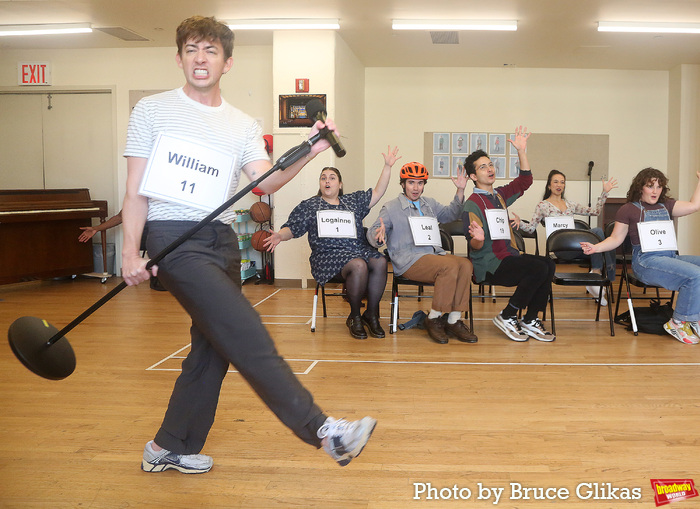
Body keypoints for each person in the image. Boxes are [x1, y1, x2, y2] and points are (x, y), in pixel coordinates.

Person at [121, 16, 376, 474]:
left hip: (220, 239)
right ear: (179, 56)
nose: (201, 58)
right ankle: (324, 430)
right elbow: (135, 189)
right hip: (173, 236)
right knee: (242, 329)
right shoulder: (152, 110)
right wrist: (130, 251)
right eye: (193, 49)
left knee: (212, 347)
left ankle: (167, 446)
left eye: (211, 51)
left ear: (227, 61)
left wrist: (310, 150)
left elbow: (265, 184)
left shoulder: (241, 123)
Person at [263, 148, 400, 339]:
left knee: (379, 261)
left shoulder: (352, 202)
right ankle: (354, 317)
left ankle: (371, 314)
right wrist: (280, 236)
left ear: (340, 184)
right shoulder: (311, 205)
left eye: (332, 177)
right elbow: (292, 228)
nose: (327, 181)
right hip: (327, 256)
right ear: (320, 183)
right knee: (359, 264)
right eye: (323, 178)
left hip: (357, 250)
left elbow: (378, 192)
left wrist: (387, 166)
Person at [581, 167, 700, 344]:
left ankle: (693, 317)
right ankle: (678, 322)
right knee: (695, 275)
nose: (655, 191)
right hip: (646, 262)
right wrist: (596, 248)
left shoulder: (667, 205)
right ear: (640, 187)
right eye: (650, 186)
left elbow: (695, 205)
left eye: (659, 187)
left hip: (669, 258)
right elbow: (615, 238)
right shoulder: (628, 209)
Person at [366, 161, 477, 345]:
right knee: (448, 266)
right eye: (411, 182)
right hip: (408, 260)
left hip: (433, 256)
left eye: (420, 183)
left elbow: (451, 214)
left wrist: (460, 191)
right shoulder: (391, 207)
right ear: (403, 184)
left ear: (424, 184)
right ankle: (433, 318)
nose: (415, 187)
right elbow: (374, 232)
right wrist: (378, 235)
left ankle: (453, 320)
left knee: (465, 265)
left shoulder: (429, 204)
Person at [462, 127, 556, 342]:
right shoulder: (472, 205)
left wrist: (521, 151)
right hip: (488, 265)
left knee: (548, 264)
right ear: (473, 176)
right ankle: (508, 315)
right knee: (538, 267)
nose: (489, 169)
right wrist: (478, 239)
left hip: (508, 256)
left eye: (490, 165)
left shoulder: (500, 195)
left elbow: (525, 182)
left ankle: (530, 319)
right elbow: (474, 247)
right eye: (483, 167)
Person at [515, 169, 618, 305]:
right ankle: (598, 279)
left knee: (598, 232)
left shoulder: (570, 204)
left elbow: (596, 211)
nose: (559, 185)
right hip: (562, 249)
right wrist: (519, 223)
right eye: (556, 182)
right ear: (549, 186)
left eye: (562, 182)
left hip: (579, 248)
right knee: (598, 235)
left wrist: (604, 192)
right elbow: (531, 228)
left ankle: (597, 273)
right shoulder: (543, 206)